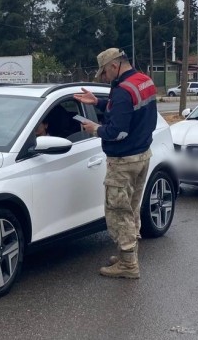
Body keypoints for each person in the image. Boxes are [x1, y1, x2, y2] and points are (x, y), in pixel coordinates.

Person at [73, 48, 157, 279]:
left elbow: (117, 131)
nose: (103, 78)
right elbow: (127, 110)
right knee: (131, 209)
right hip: (142, 155)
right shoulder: (143, 82)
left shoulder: (121, 91)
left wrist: (94, 129)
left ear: (114, 65)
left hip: (123, 161)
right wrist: (98, 102)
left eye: (104, 73)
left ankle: (128, 265)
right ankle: (125, 255)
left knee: (119, 213)